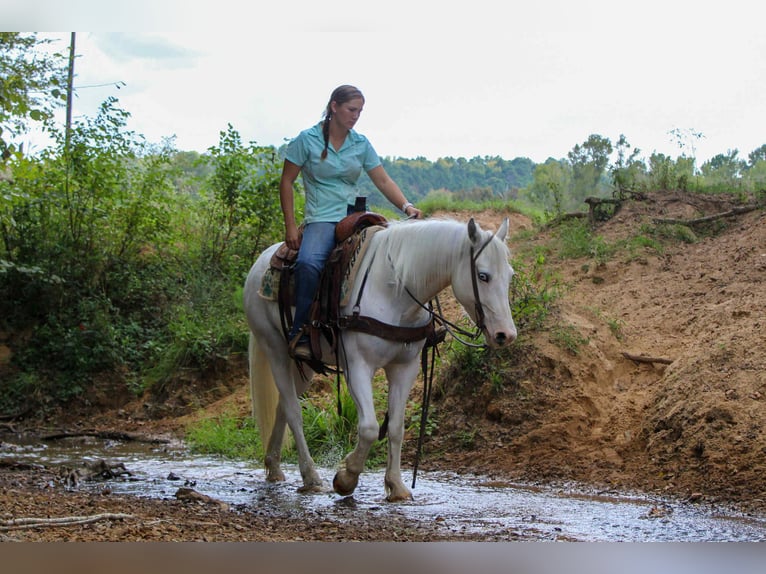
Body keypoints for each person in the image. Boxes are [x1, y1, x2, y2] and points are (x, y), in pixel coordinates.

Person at [280, 84, 422, 360]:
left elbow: (382, 179)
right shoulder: (305, 140)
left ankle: (408, 326)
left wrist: (407, 206)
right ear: (334, 106)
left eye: (360, 111)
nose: (356, 116)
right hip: (322, 217)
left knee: (392, 257)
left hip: (355, 215)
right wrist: (290, 225)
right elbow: (287, 181)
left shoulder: (361, 143)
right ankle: (301, 331)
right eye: (351, 109)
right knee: (309, 263)